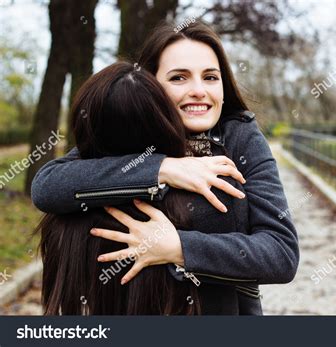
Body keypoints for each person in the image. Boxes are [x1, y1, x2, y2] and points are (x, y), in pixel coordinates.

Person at [32, 21, 299, 315]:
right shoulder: (131, 132)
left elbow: (281, 252)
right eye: (179, 78)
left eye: (210, 77)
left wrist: (179, 248)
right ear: (150, 84)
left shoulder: (239, 136)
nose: (199, 90)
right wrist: (162, 168)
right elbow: (48, 185)